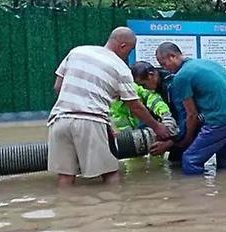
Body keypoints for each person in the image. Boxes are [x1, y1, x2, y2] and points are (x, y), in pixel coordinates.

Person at [48, 27, 171, 186]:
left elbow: (58, 87)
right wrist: (157, 127)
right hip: (90, 122)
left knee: (66, 176)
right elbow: (135, 106)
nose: (128, 54)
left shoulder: (77, 52)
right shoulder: (119, 67)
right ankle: (114, 209)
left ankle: (66, 208)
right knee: (110, 173)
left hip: (59, 120)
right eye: (130, 49)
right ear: (123, 46)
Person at [152, 42, 226, 175]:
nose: (163, 69)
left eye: (163, 64)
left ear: (172, 56)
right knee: (225, 162)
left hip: (221, 120)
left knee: (190, 159)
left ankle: (196, 194)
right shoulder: (207, 63)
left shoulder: (181, 77)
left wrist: (185, 140)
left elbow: (191, 115)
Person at [131, 60, 195, 164]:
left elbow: (185, 116)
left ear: (151, 75)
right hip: (181, 128)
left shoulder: (172, 86)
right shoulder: (158, 87)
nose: (144, 88)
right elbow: (150, 114)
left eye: (143, 85)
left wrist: (170, 143)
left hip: (196, 126)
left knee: (184, 163)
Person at [109, 83, 176, 134]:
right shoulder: (112, 105)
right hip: (140, 134)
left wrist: (165, 114)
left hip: (156, 123)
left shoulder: (135, 88)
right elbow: (122, 125)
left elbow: (153, 99)